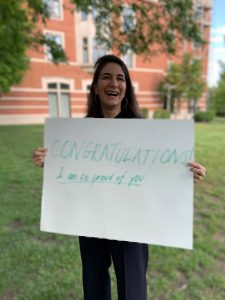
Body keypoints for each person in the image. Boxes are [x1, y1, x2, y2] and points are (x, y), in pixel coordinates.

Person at [32, 54, 206, 300]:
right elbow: (69, 169)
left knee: (132, 287)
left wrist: (187, 173)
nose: (114, 83)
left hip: (132, 221)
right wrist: (49, 162)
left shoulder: (143, 130)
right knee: (93, 282)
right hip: (91, 218)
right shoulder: (78, 133)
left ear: (126, 88)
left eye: (120, 78)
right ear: (95, 88)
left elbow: (161, 168)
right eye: (106, 77)